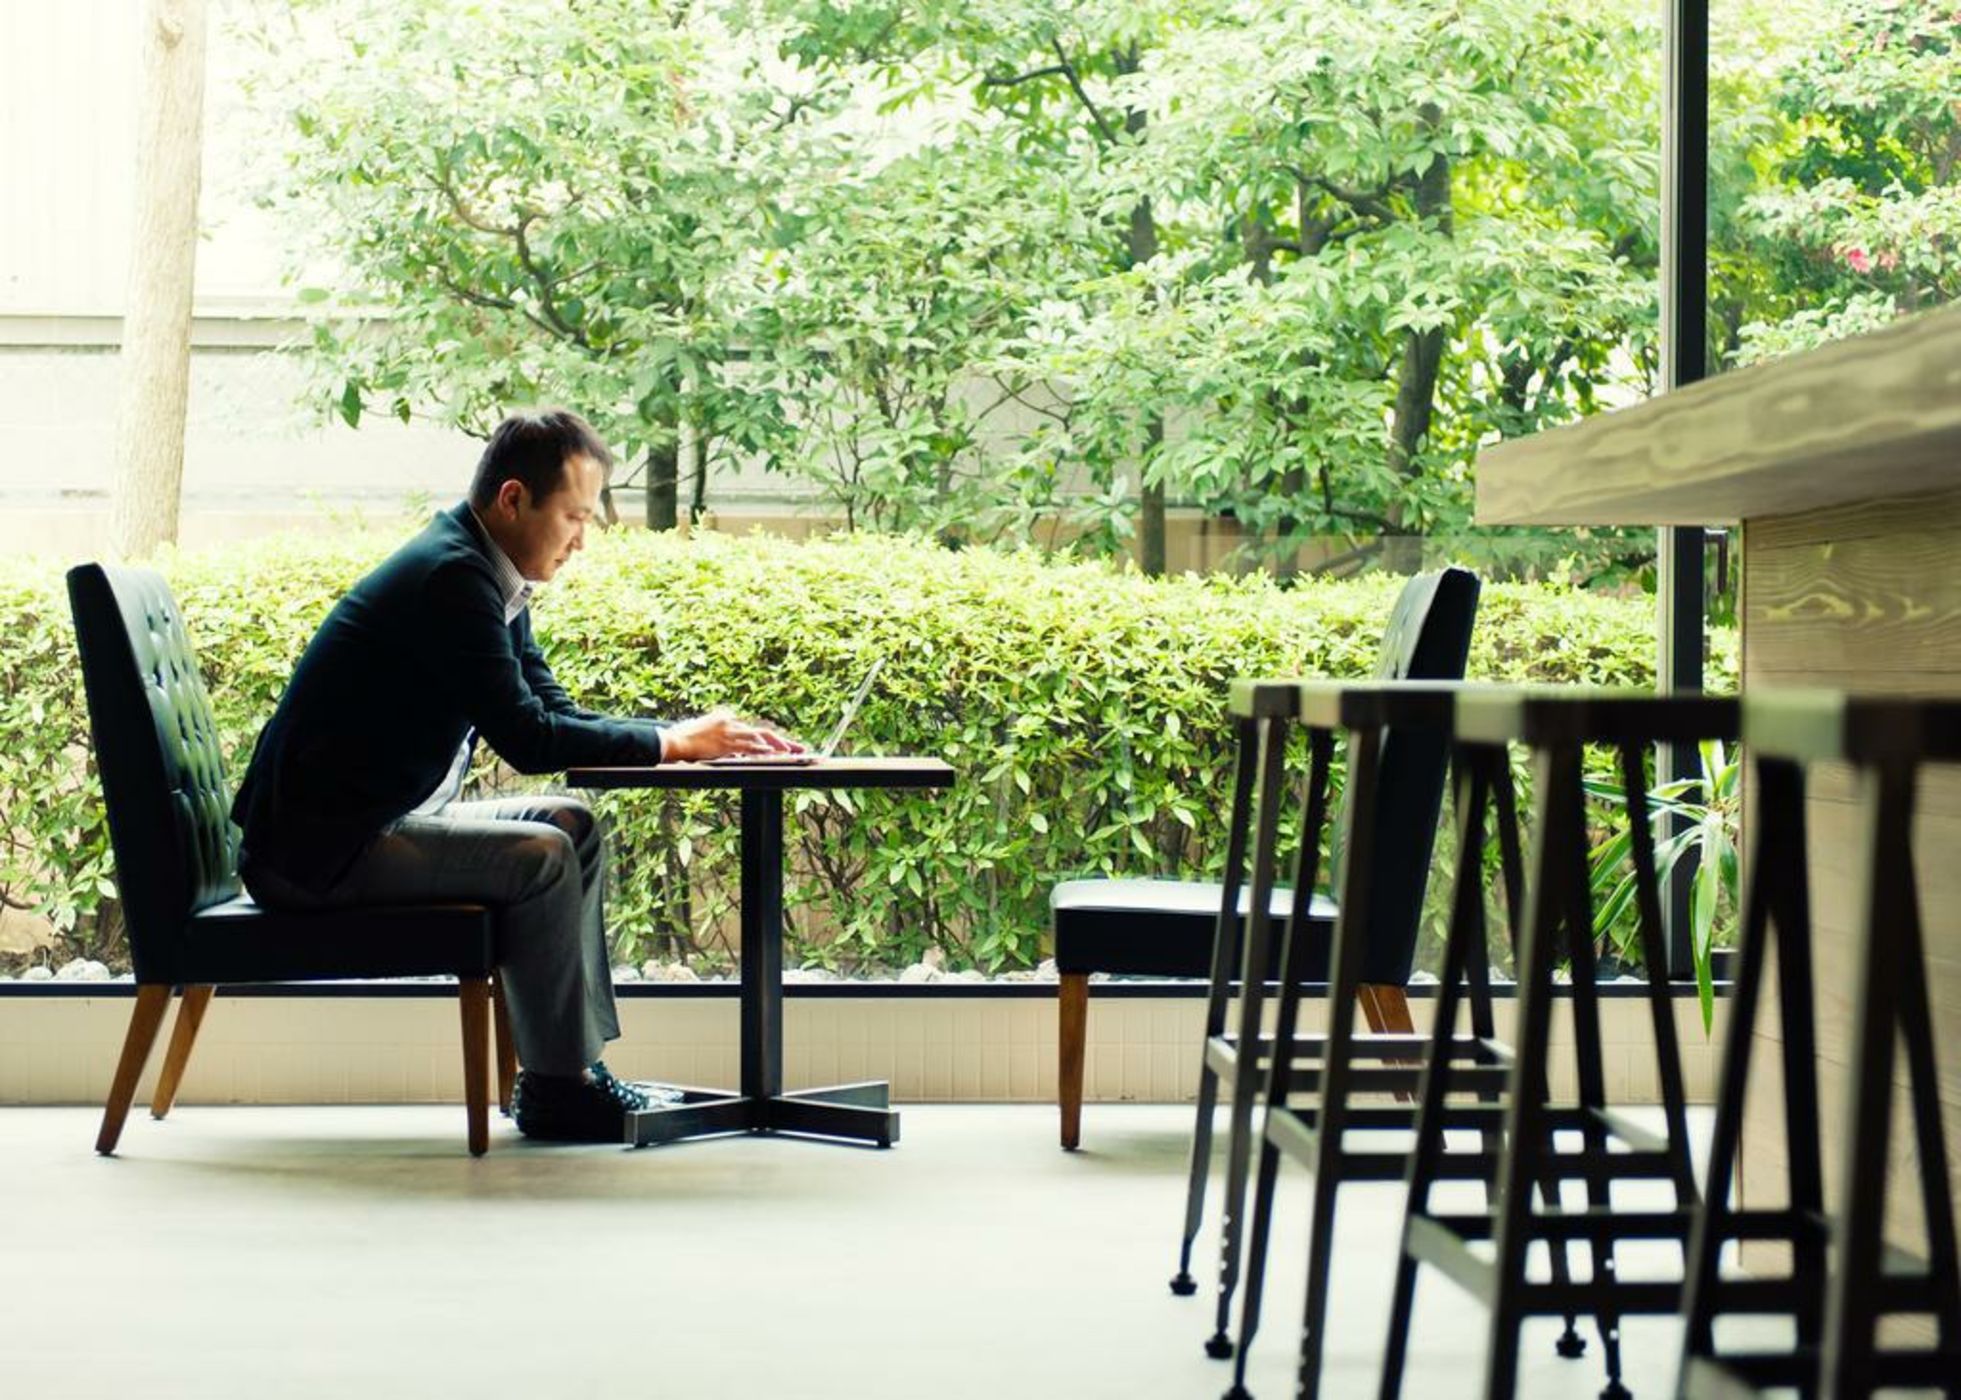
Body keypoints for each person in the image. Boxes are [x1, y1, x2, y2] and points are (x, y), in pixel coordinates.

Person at [231, 408, 802, 1141]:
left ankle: (571, 1072)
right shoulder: (451, 581)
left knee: (571, 824)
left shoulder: (486, 574)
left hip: (371, 827)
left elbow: (549, 708)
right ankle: (559, 1089)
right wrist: (674, 742)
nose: (580, 540)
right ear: (512, 500)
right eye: (572, 516)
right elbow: (530, 740)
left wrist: (678, 737)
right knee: (542, 855)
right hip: (318, 855)